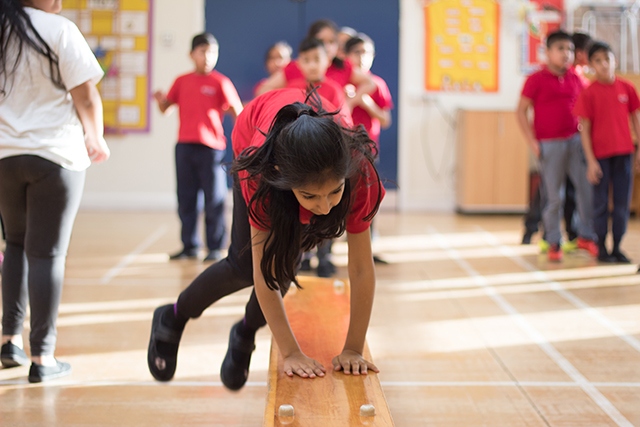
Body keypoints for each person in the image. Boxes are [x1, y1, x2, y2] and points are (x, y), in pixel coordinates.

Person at [146, 87, 384, 391]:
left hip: (307, 156)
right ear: (285, 182)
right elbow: (263, 271)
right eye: (310, 196)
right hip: (255, 140)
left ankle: (245, 332)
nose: (325, 207)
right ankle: (173, 316)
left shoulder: (358, 172)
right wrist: (291, 352)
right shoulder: (262, 172)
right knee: (245, 265)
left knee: (287, 265)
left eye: (334, 192)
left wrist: (353, 348)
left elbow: (362, 269)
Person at [0, 0, 109, 382]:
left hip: (4, 157)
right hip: (54, 156)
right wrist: (95, 137)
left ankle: (9, 340)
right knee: (47, 253)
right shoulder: (58, 30)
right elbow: (86, 96)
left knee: (14, 244)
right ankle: (42, 358)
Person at [153, 33, 243, 262]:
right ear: (192, 54)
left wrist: (244, 141)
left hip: (211, 149)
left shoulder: (221, 82)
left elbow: (237, 113)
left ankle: (215, 246)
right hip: (184, 146)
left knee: (214, 198)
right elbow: (166, 108)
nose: (208, 57)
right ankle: (190, 245)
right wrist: (160, 100)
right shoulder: (181, 81)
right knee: (186, 197)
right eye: (203, 51)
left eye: (212, 52)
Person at [516, 30, 598, 262]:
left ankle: (586, 236)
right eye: (561, 49)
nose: (566, 54)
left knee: (585, 191)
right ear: (548, 52)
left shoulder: (578, 78)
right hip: (549, 144)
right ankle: (553, 241)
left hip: (576, 142)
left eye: (570, 50)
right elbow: (520, 111)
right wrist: (532, 142)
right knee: (554, 197)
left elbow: (589, 112)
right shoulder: (535, 79)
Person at [574, 41, 640, 263]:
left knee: (621, 203)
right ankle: (601, 245)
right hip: (600, 156)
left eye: (607, 59)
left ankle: (618, 246)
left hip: (624, 153)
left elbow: (636, 118)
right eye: (598, 61)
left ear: (615, 61)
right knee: (600, 203)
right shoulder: (589, 93)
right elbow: (585, 130)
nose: (603, 65)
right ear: (591, 65)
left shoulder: (627, 88)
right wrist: (591, 161)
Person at [345, 33, 393, 264]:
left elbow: (385, 119)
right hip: (343, 148)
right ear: (347, 56)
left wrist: (365, 101)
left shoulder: (377, 84)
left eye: (367, 53)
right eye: (357, 52)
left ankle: (368, 246)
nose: (363, 58)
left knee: (368, 198)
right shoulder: (342, 83)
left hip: (368, 150)